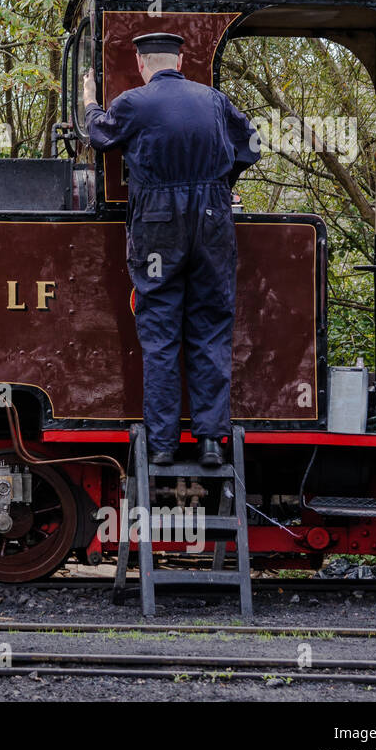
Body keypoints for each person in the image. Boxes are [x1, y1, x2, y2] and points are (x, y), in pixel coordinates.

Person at [82, 33, 260, 467]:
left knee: (160, 334)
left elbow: (99, 136)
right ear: (181, 60)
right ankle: (211, 441)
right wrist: (220, 186)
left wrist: (89, 100)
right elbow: (252, 146)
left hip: (159, 224)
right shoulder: (215, 101)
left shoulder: (133, 103)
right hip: (213, 221)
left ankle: (162, 445)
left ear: (142, 64)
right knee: (211, 329)